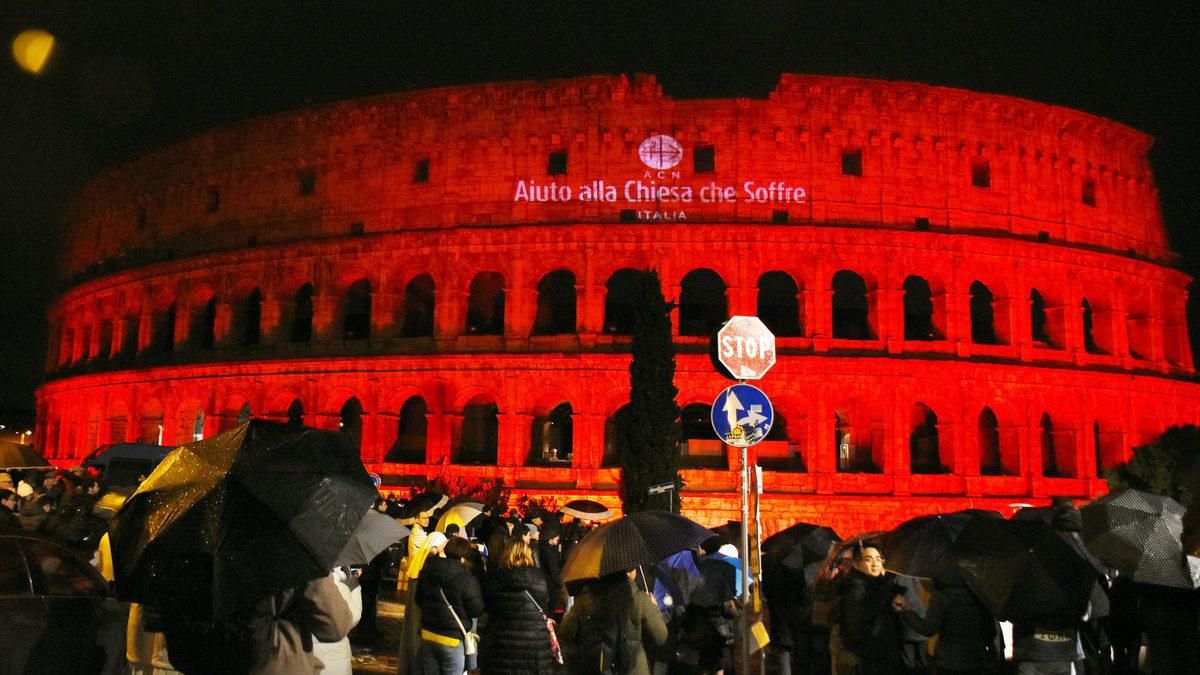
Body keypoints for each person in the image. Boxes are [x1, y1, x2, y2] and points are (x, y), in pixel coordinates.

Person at [559, 569, 668, 675]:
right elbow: (660, 636)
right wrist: (654, 607)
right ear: (627, 572)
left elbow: (566, 632)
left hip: (597, 666)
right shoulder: (638, 598)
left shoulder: (586, 599)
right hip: (634, 668)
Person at [898, 570, 1003, 674]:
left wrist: (906, 612)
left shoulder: (941, 596)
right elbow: (990, 632)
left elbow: (929, 629)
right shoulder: (979, 594)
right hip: (975, 659)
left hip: (948, 661)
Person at [480, 538, 557, 674]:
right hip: (535, 640)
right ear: (528, 553)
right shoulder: (541, 577)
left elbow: (488, 606)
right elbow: (549, 603)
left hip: (501, 641)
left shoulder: (495, 578)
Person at [414, 536, 485, 675]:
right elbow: (476, 610)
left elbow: (418, 599)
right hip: (452, 640)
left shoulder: (427, 571)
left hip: (428, 634)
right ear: (463, 557)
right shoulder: (466, 578)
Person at [838, 544, 906, 674]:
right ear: (856, 564)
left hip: (886, 654)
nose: (875, 564)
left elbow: (880, 615)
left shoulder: (878, 585)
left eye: (878, 559)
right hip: (873, 659)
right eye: (868, 559)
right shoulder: (855, 590)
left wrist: (893, 608)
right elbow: (855, 628)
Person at [313, 566, 362, 675]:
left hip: (302, 656)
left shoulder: (294, 576)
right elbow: (352, 618)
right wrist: (353, 585)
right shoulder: (337, 580)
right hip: (334, 658)